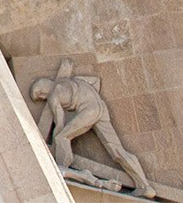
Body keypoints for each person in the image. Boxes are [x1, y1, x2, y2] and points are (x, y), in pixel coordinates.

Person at [31, 60, 154, 198]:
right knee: (117, 150)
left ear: (42, 90)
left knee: (61, 137)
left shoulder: (54, 94)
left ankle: (63, 170)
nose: (43, 98)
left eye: (40, 96)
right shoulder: (71, 80)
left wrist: (55, 141)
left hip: (88, 112)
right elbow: (95, 82)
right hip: (100, 108)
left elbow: (59, 124)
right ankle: (145, 186)